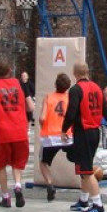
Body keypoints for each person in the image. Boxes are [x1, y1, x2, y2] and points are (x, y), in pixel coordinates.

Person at [63, 62, 107, 212]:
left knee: (87, 171)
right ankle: (83, 200)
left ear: (75, 73)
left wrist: (63, 129)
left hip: (84, 133)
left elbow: (71, 112)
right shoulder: (97, 88)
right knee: (83, 167)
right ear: (87, 72)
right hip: (96, 131)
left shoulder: (76, 89)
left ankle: (98, 206)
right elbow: (106, 112)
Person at [0, 62, 34, 208]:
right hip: (19, 129)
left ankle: (5, 197)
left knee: (0, 164)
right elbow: (31, 106)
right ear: (10, 70)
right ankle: (18, 185)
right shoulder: (20, 84)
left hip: (1, 131)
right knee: (17, 162)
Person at [38, 73, 73, 202]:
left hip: (50, 136)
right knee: (76, 159)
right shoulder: (69, 98)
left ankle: (49, 183)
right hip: (66, 135)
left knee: (43, 162)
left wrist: (44, 126)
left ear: (55, 84)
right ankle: (86, 179)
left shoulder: (48, 97)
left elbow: (42, 117)